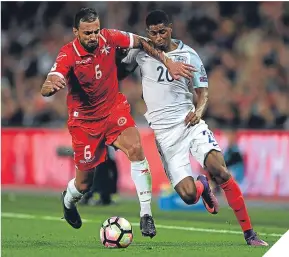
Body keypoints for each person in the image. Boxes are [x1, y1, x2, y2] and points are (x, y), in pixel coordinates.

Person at [40, 7, 195, 238]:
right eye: (87, 33)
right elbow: (53, 78)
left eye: (96, 31)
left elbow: (142, 42)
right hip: (84, 123)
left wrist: (168, 62)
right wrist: (48, 87)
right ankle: (69, 200)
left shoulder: (109, 37)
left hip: (113, 110)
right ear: (76, 32)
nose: (93, 37)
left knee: (136, 148)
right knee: (84, 184)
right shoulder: (67, 54)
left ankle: (146, 215)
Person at [121, 10, 268, 246]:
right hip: (166, 136)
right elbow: (118, 72)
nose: (158, 37)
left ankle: (250, 233)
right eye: (153, 33)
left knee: (220, 171)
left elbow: (203, 92)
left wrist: (198, 113)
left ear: (170, 28)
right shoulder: (140, 53)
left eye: (162, 31)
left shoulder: (189, 55)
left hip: (190, 124)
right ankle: (202, 185)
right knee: (189, 196)